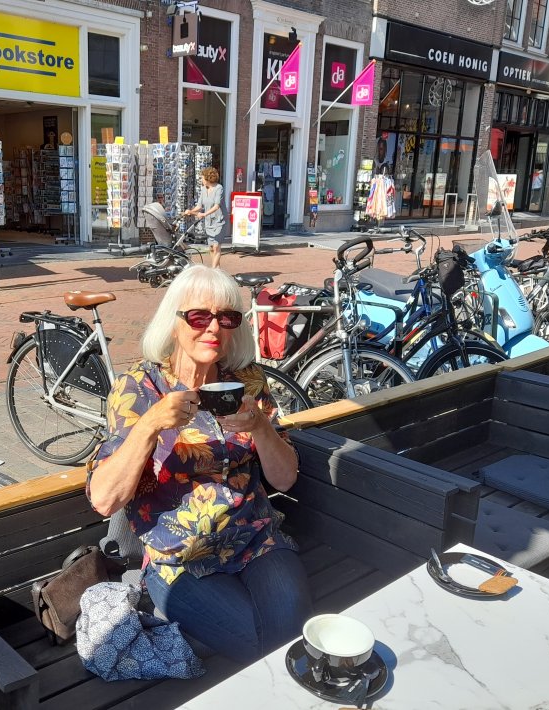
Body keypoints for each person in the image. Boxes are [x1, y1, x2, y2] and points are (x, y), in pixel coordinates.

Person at [87, 265, 312, 665]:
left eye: (226, 318)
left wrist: (260, 426)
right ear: (173, 322)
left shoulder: (248, 381)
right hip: (179, 560)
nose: (213, 328)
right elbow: (105, 500)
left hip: (257, 541)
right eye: (198, 316)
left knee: (293, 633)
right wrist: (152, 423)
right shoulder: (139, 388)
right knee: (262, 647)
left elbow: (285, 479)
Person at [183, 167, 228, 268]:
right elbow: (199, 206)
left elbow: (217, 206)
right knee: (211, 248)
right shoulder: (203, 189)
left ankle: (213, 271)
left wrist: (204, 214)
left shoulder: (219, 188)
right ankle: (217, 270)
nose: (201, 180)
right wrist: (190, 211)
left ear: (208, 178)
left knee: (216, 247)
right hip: (209, 222)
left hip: (219, 221)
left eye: (202, 178)